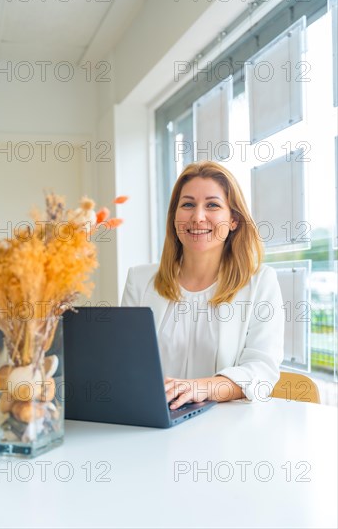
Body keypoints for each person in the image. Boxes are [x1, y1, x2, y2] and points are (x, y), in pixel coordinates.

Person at [121, 161, 284, 408]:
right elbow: (125, 362)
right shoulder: (139, 280)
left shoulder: (261, 281)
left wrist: (199, 387)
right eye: (187, 204)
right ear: (174, 217)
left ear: (234, 220)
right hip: (153, 422)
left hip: (227, 430)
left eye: (212, 205)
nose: (197, 217)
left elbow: (262, 370)